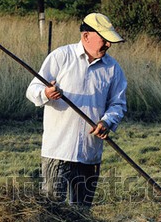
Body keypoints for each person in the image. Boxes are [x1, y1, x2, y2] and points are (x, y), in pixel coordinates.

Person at [26, 12, 127, 208]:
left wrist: (107, 122)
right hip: (58, 151)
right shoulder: (60, 57)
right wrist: (46, 93)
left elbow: (118, 104)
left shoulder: (113, 69)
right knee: (52, 210)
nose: (108, 45)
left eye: (109, 41)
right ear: (86, 36)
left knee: (82, 212)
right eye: (104, 39)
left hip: (90, 153)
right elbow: (32, 90)